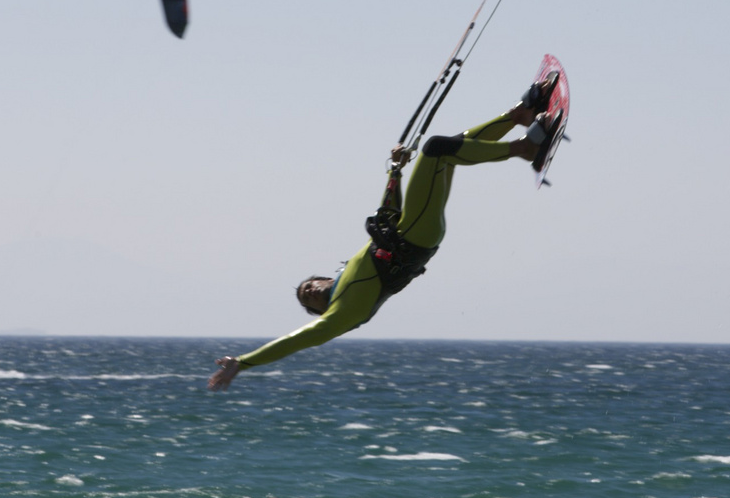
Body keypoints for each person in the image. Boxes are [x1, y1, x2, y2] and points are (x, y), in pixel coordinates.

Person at [208, 75, 561, 390]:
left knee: (449, 149)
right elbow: (293, 342)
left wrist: (395, 172)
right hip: (416, 239)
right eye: (308, 299)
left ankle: (521, 115)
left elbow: (387, 217)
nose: (312, 291)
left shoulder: (350, 270)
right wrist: (244, 362)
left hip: (410, 228)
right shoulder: (338, 316)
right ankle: (524, 147)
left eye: (309, 286)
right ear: (316, 311)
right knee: (437, 150)